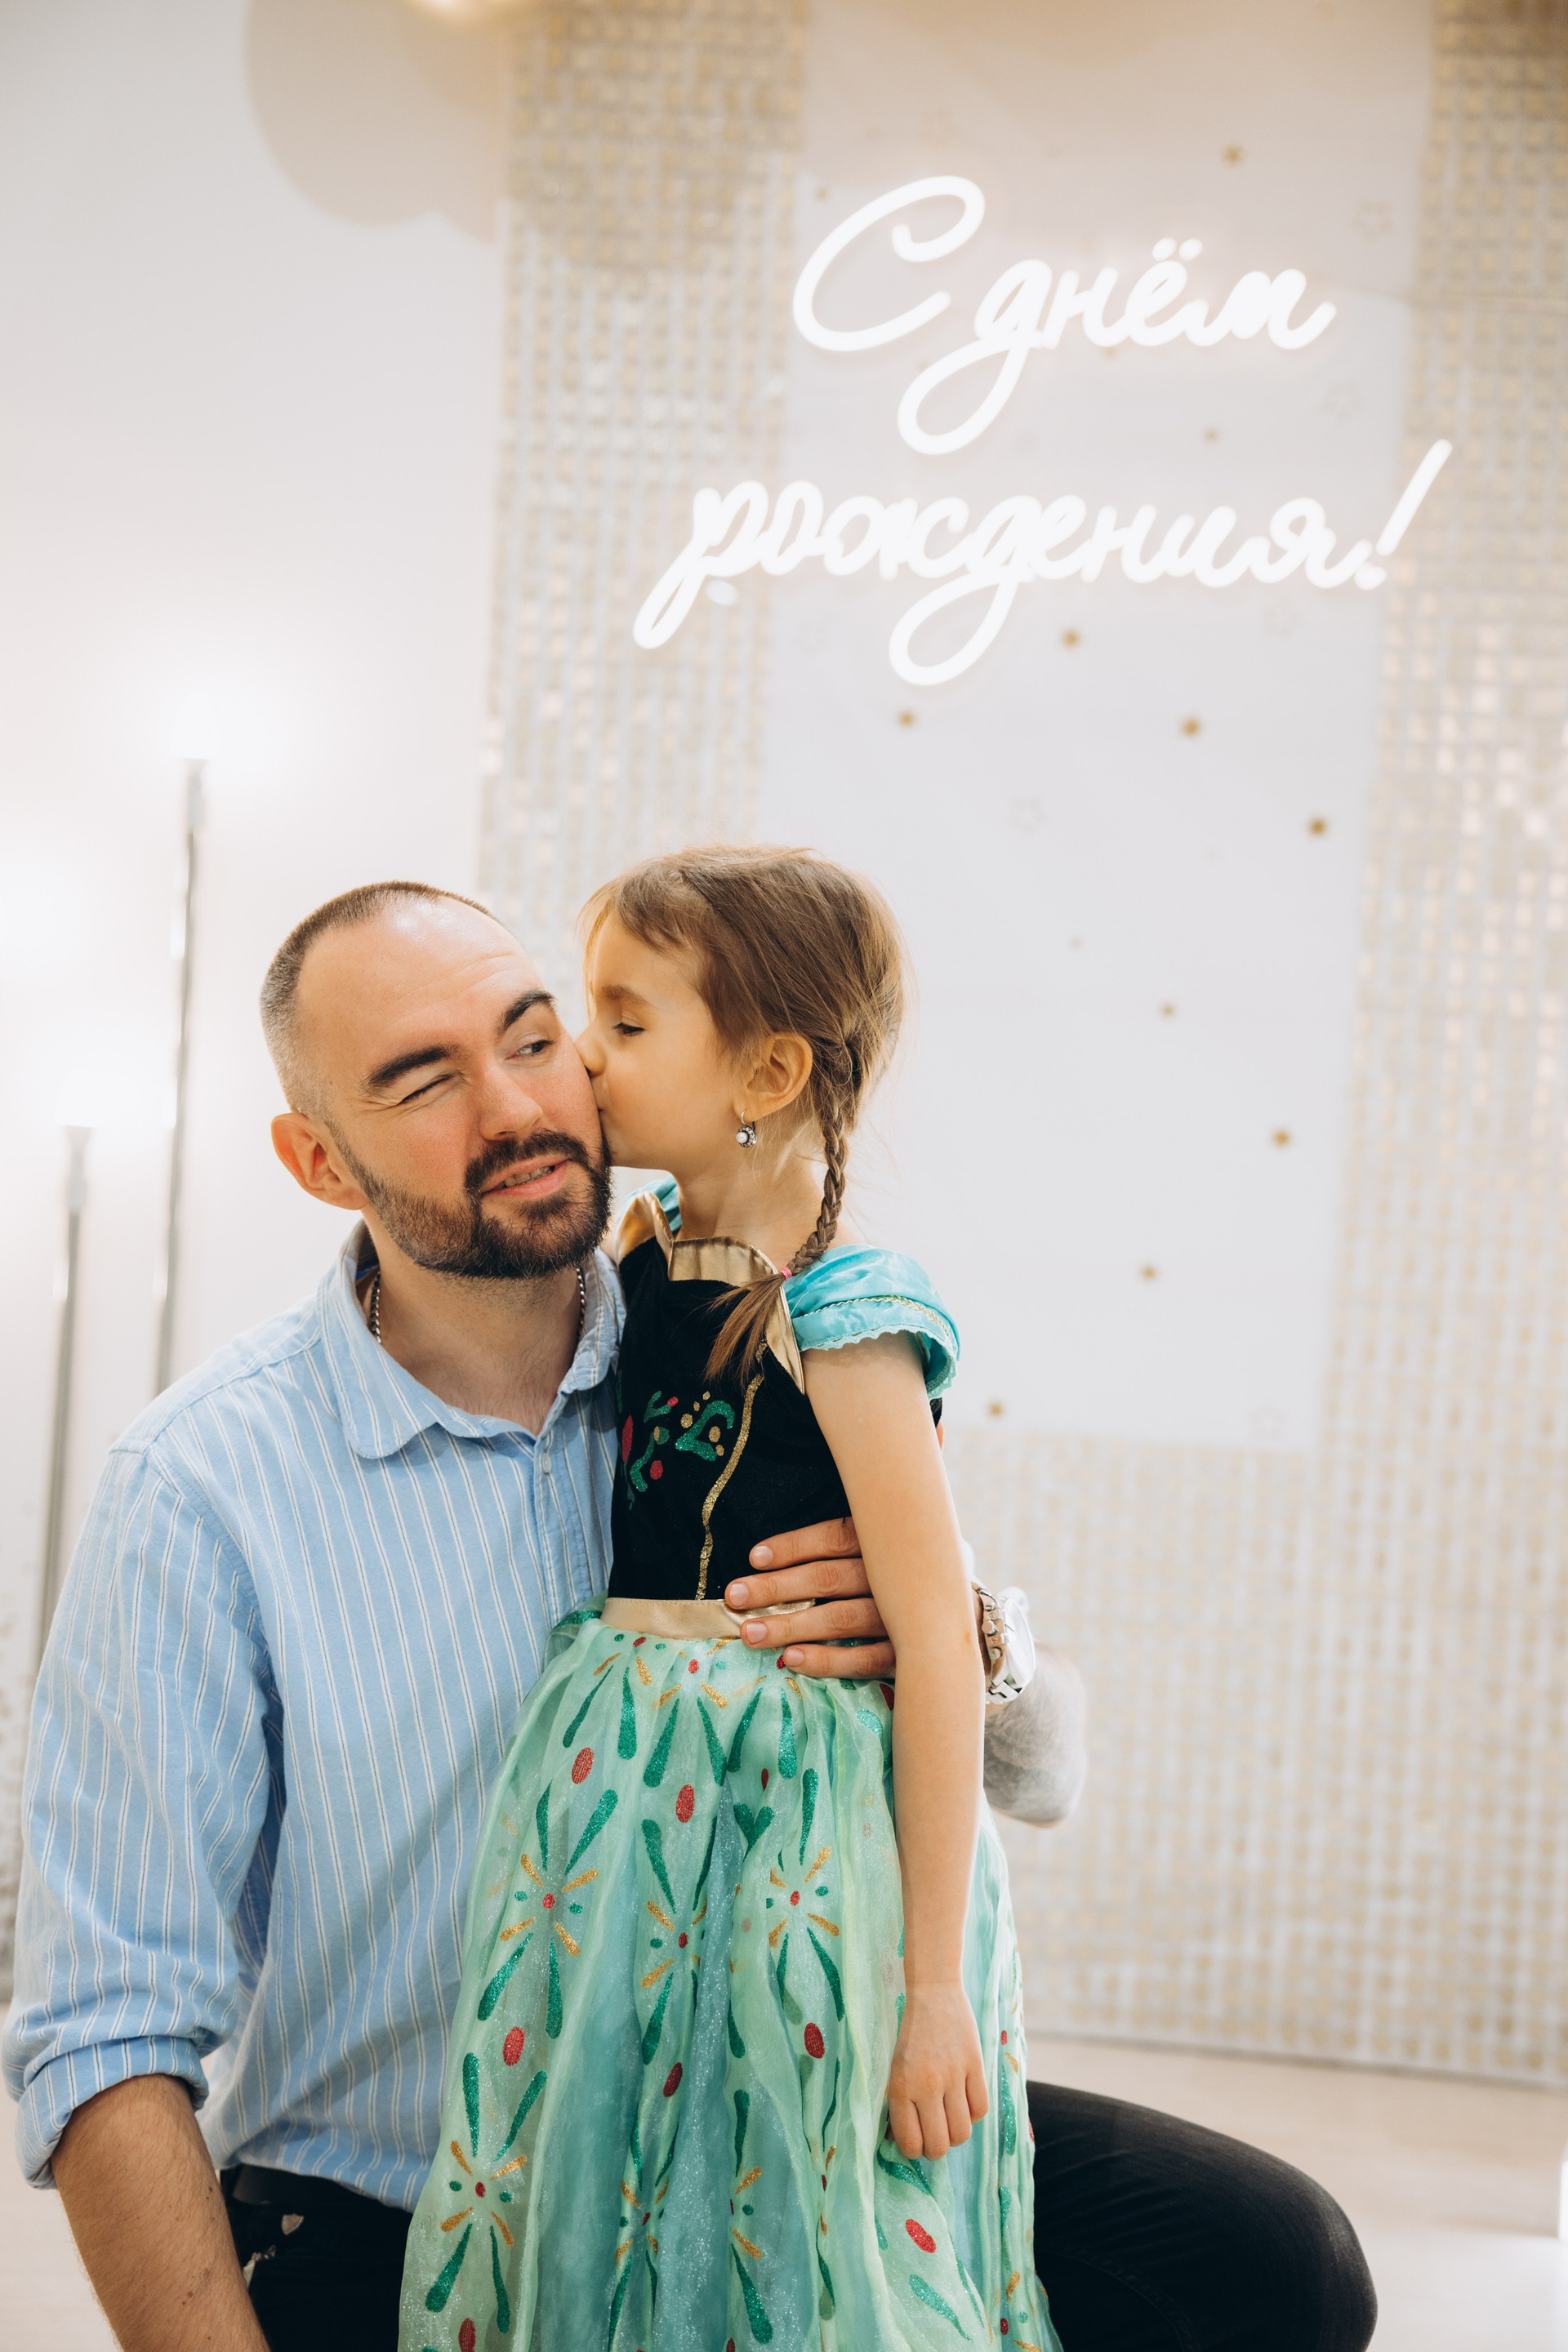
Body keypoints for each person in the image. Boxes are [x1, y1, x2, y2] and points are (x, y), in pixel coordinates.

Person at [2, 877, 1375, 2352]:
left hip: (761, 2105)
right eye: (424, 1080)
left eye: (536, 1037)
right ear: (319, 1161)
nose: (523, 1103)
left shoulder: (742, 1336)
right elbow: (105, 2030)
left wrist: (960, 1631)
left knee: (1270, 2259)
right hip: (411, 2195)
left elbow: (1043, 1774)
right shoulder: (200, 1486)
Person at [398, 844, 1055, 2352]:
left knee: (788, 2162)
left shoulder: (846, 1316)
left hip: (793, 1811)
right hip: (626, 1795)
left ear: (765, 1070)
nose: (582, 1055)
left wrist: (933, 1990)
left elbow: (939, 1650)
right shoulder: (640, 1261)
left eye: (626, 1023)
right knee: (623, 2142)